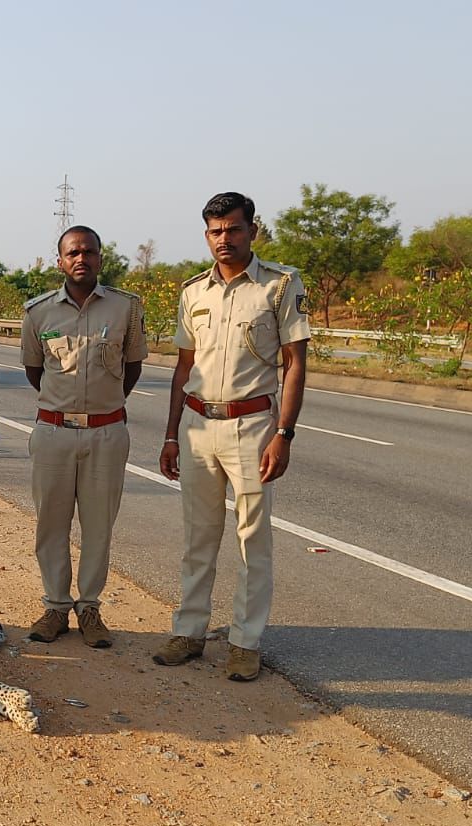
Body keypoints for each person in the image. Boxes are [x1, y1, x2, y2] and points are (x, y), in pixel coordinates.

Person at [155, 192, 311, 681]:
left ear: (252, 231)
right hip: (197, 426)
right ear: (207, 235)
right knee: (197, 537)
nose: (224, 239)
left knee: (252, 541)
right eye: (215, 231)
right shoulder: (193, 292)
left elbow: (295, 364)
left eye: (234, 229)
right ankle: (189, 631)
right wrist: (170, 436)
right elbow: (184, 367)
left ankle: (245, 642)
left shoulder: (280, 286)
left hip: (252, 427)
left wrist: (284, 433)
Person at [21, 226, 146, 647]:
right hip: (54, 433)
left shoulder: (125, 308)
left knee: (98, 527)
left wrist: (104, 405)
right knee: (50, 525)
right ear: (60, 261)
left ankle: (90, 608)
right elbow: (34, 371)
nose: (81, 259)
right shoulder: (38, 312)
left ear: (100, 259)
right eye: (73, 253)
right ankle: (55, 607)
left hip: (106, 433)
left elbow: (132, 366)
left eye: (89, 252)